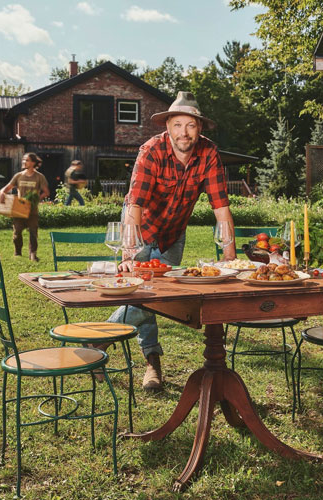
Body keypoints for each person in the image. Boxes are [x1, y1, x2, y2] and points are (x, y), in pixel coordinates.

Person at [107, 91, 236, 390]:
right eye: (177, 125)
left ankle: (97, 339)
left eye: (190, 126)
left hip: (173, 232)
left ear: (199, 128)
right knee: (143, 294)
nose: (184, 133)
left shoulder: (208, 153)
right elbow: (135, 205)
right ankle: (152, 361)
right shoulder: (150, 151)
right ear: (168, 126)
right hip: (139, 229)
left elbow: (221, 208)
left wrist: (231, 258)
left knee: (156, 297)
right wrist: (128, 254)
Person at [0, 152, 49, 261]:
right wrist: (2, 193)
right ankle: (17, 253)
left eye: (26, 160)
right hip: (19, 209)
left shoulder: (39, 177)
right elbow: (7, 188)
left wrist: (36, 199)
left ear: (33, 162)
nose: (24, 162)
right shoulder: (19, 176)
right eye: (23, 160)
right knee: (17, 233)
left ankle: (33, 254)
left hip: (32, 210)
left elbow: (46, 192)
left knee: (33, 233)